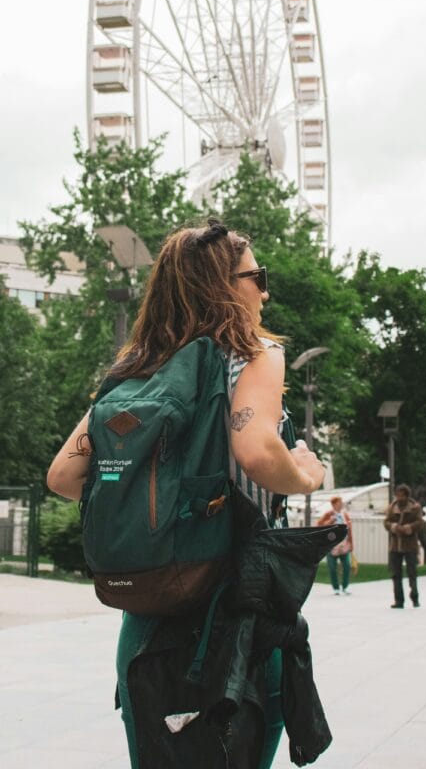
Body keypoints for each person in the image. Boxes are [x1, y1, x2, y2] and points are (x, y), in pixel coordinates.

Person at [46, 221, 326, 769]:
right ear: (223, 285)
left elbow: (62, 476)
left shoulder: (135, 372)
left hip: (147, 619)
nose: (264, 291)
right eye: (256, 277)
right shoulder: (254, 354)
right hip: (232, 618)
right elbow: (255, 452)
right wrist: (303, 473)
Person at [384, 484, 423, 608]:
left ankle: (415, 597)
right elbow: (386, 522)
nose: (399, 498)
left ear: (406, 496)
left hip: (410, 545)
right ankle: (399, 600)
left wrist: (408, 528)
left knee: (412, 573)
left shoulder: (415, 508)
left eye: (402, 495)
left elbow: (420, 522)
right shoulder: (392, 507)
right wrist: (394, 527)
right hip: (395, 546)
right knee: (396, 574)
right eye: (397, 495)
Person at [317, 496, 353, 595]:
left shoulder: (345, 514)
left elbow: (349, 529)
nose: (341, 504)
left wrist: (351, 543)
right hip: (332, 546)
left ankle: (344, 587)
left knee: (347, 565)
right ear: (334, 504)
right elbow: (319, 526)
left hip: (344, 545)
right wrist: (330, 521)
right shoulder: (328, 514)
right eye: (339, 502)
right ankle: (336, 588)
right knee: (332, 567)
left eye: (341, 502)